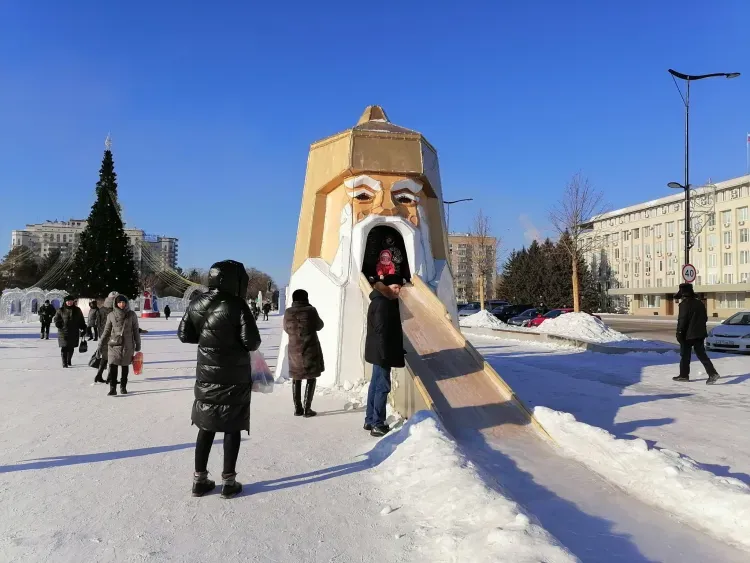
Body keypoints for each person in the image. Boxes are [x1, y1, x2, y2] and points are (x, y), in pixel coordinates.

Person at [178, 260, 261, 499]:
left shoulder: (197, 302)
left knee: (206, 426)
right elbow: (252, 342)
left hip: (206, 376)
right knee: (231, 427)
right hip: (234, 377)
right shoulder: (238, 305)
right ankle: (229, 481)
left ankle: (199, 479)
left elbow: (185, 334)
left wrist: (209, 340)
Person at [364, 275, 406, 437]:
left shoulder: (380, 300)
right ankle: (377, 424)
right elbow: (381, 331)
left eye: (400, 288)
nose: (398, 291)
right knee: (382, 387)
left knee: (375, 385)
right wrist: (386, 354)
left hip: (377, 351)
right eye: (395, 287)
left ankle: (370, 419)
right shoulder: (383, 303)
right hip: (382, 352)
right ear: (386, 286)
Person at [283, 289, 324, 417]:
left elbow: (285, 328)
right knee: (311, 377)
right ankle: (307, 409)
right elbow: (320, 325)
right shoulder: (310, 311)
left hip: (294, 349)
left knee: (297, 377)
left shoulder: (288, 312)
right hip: (309, 348)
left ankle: (298, 408)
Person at [674, 283, 719, 384]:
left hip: (687, 334)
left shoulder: (684, 304)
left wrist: (679, 332)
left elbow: (682, 320)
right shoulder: (700, 303)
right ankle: (712, 373)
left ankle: (684, 375)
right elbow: (705, 318)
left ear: (683, 294)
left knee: (685, 355)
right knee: (701, 354)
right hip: (700, 333)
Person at [99, 295, 141, 396]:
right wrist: (101, 342)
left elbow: (136, 330)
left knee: (125, 366)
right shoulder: (111, 315)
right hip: (114, 345)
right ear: (116, 304)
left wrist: (138, 344)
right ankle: (112, 388)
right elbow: (107, 330)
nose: (122, 304)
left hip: (128, 345)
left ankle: (123, 386)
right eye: (119, 302)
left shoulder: (132, 315)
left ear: (126, 303)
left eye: (123, 302)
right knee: (113, 366)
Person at [54, 296, 85, 368]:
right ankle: (64, 363)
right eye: (68, 301)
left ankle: (69, 360)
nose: (69, 302)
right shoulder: (60, 310)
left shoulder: (77, 310)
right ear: (65, 302)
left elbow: (81, 319)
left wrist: (83, 327)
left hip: (74, 331)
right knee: (64, 346)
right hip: (63, 331)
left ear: (73, 301)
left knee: (71, 347)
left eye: (71, 301)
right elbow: (56, 318)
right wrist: (58, 324)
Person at [94, 291, 118, 384]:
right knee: (113, 357)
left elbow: (98, 324)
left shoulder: (101, 309)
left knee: (105, 357)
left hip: (104, 335)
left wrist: (101, 335)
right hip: (114, 335)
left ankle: (99, 375)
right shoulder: (116, 310)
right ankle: (110, 378)